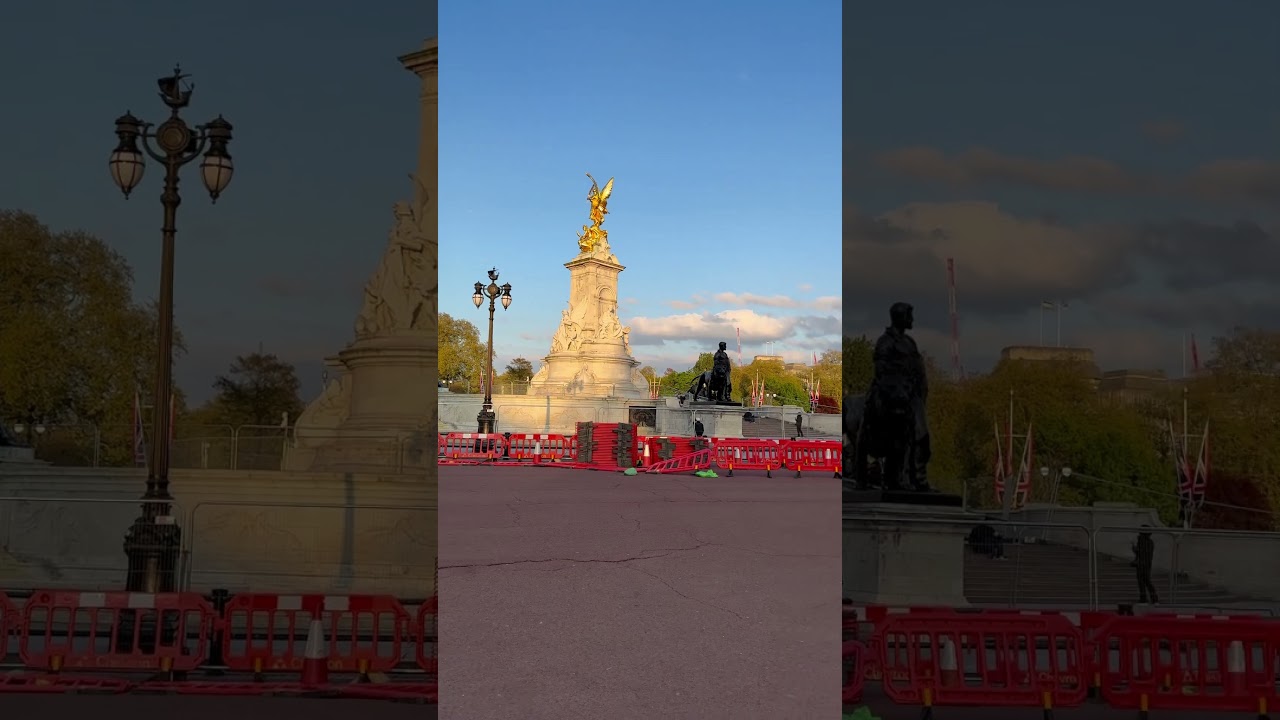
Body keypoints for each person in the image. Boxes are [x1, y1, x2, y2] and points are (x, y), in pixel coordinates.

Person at [1134, 527, 1158, 604]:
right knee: (1147, 582)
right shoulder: (1150, 542)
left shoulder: (1141, 541)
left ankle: (1144, 598)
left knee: (1143, 582)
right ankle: (1153, 598)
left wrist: (1134, 549)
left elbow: (1140, 552)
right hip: (1147, 564)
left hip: (1142, 565)